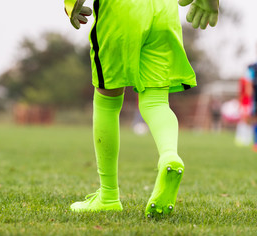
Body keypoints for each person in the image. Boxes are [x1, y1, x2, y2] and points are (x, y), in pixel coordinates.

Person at [64, 0, 219, 217]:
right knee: (156, 102)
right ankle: (169, 155)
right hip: (165, 11)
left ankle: (108, 196)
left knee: (107, 101)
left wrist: (72, 4)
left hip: (121, 11)